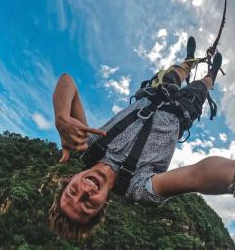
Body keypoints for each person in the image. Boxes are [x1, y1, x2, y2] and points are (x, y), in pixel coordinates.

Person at [49, 37, 235, 240]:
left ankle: (189, 61)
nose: (84, 190)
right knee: (203, 86)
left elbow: (67, 81)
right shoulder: (139, 188)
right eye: (86, 205)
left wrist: (62, 117)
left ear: (69, 180)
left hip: (154, 93)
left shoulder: (87, 146)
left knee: (177, 71)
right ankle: (212, 73)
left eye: (71, 193)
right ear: (103, 206)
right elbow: (195, 177)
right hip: (181, 109)